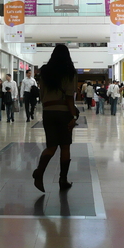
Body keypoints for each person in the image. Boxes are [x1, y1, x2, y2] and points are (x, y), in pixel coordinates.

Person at [32, 44, 79, 192]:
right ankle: (62, 180)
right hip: (63, 111)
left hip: (48, 112)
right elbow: (70, 97)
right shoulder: (69, 72)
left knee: (51, 146)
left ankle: (39, 171)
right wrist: (73, 115)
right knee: (65, 146)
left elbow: (41, 94)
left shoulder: (44, 72)